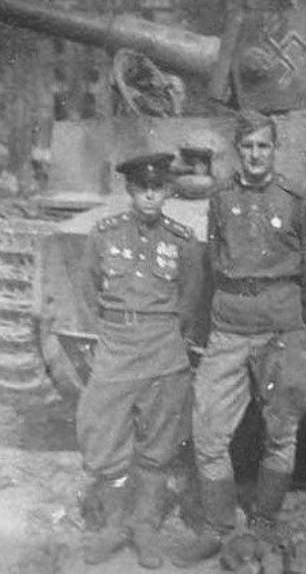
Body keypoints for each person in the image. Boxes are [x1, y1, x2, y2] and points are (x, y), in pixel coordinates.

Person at [172, 111, 306, 567]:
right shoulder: (222, 198)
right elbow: (215, 259)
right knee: (208, 433)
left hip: (280, 330)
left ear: (274, 149)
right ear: (236, 151)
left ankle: (263, 523)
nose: (255, 155)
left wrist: (296, 324)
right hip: (229, 329)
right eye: (247, 147)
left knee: (281, 433)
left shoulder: (297, 200)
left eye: (263, 146)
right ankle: (220, 526)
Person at [78, 152, 204, 568]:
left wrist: (167, 337)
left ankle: (145, 527)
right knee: (105, 442)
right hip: (116, 349)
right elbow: (88, 290)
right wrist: (109, 334)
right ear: (130, 190)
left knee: (158, 447)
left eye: (158, 187)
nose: (150, 195)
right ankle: (115, 527)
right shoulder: (104, 234)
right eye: (142, 188)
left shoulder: (182, 241)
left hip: (163, 351)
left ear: (168, 191)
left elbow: (189, 300)